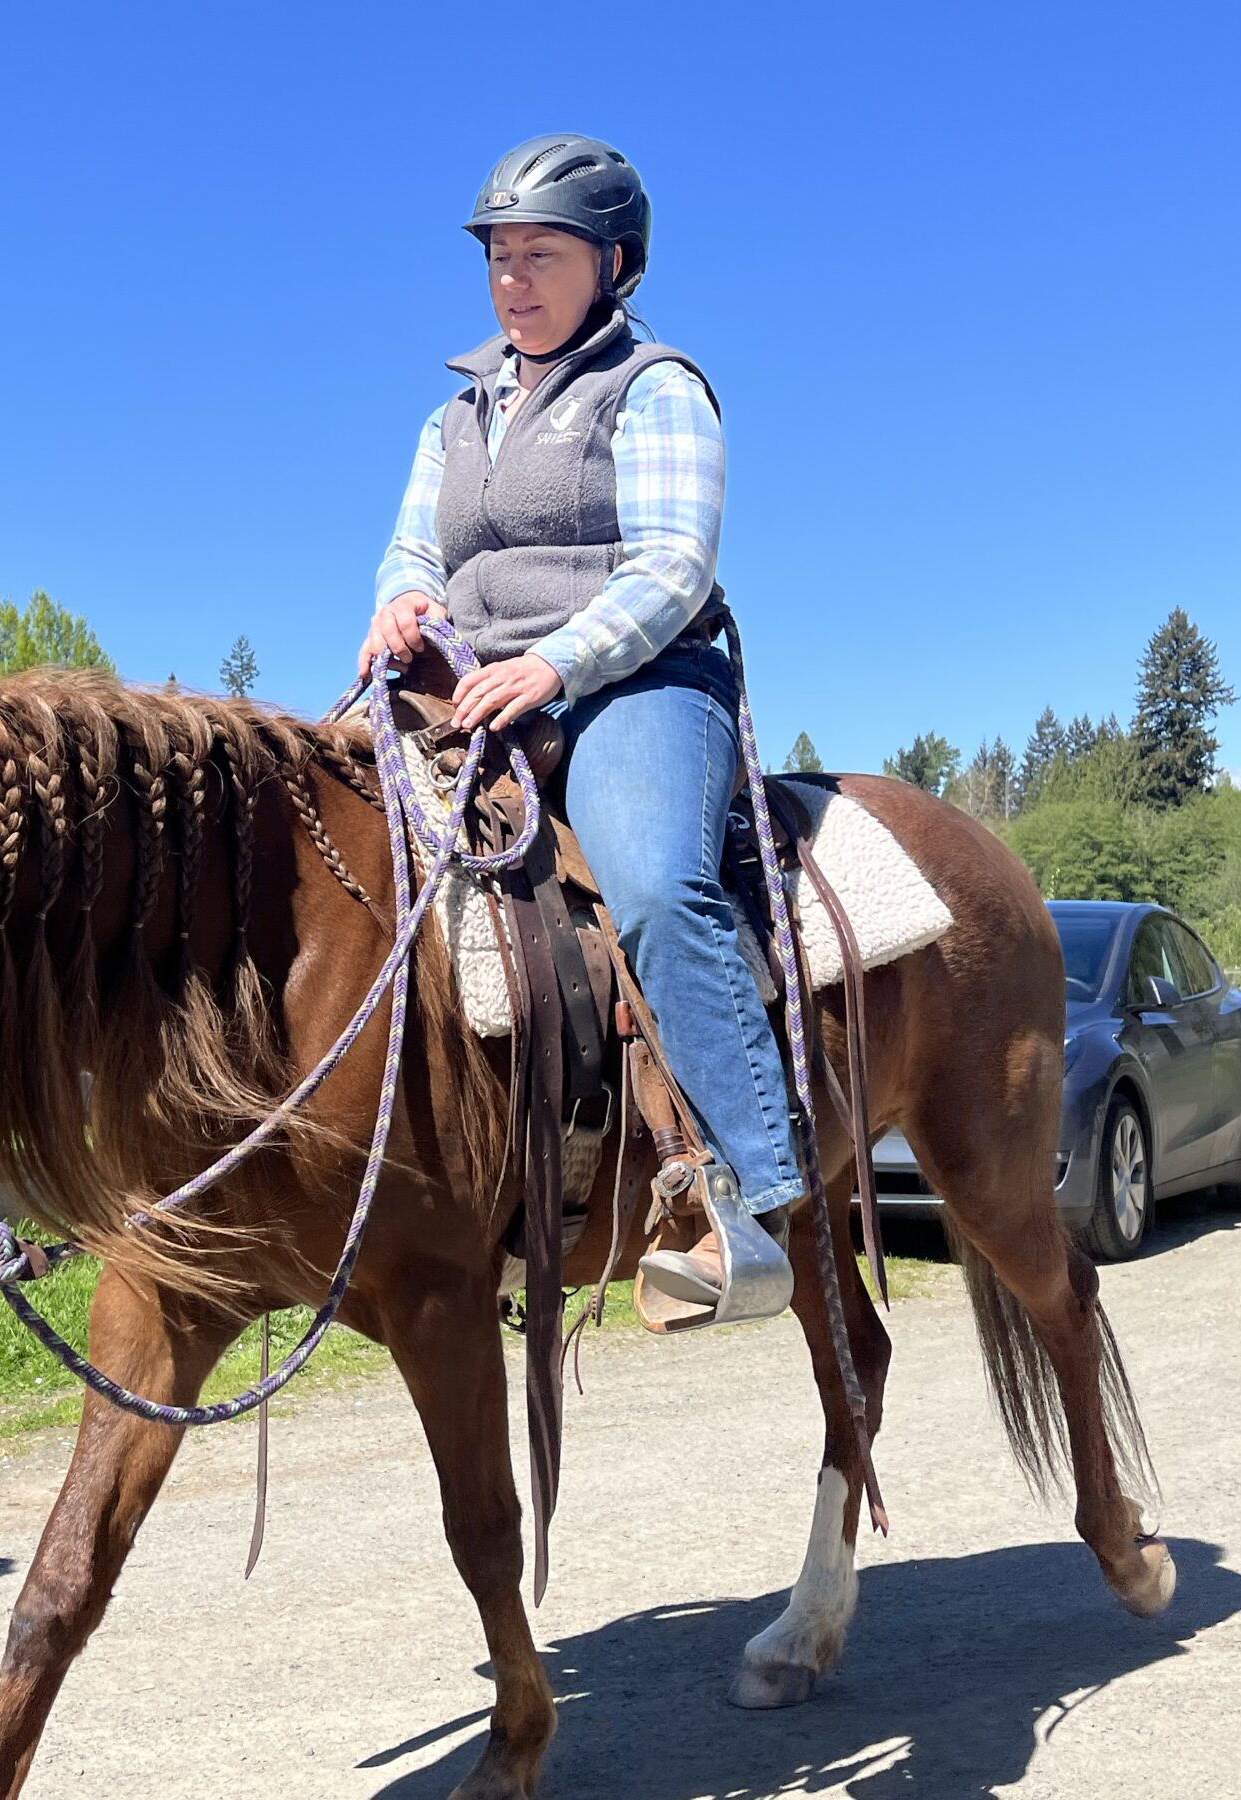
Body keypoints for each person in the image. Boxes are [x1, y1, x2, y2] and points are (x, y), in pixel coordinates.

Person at [361, 133, 799, 1323]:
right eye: (500, 257)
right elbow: (417, 547)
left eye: (541, 255)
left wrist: (555, 663)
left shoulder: (656, 387)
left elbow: (671, 566)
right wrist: (401, 599)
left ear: (615, 262)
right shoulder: (453, 416)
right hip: (472, 685)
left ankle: (746, 1193)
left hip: (634, 682)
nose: (513, 280)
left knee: (655, 886)